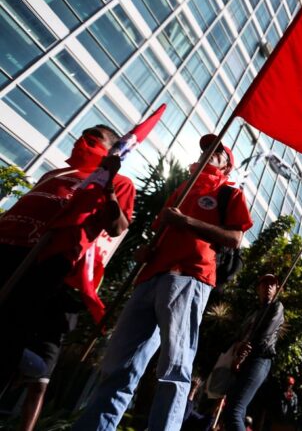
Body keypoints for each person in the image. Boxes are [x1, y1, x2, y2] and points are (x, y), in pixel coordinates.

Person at [74, 134, 252, 431]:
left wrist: (187, 223)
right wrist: (146, 251)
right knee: (120, 365)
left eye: (216, 151)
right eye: (206, 147)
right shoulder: (180, 191)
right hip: (150, 277)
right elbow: (160, 233)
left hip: (189, 277)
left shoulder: (228, 192)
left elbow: (235, 239)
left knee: (174, 368)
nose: (208, 152)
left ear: (227, 167)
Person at [0, 125, 134, 420]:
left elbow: (117, 227)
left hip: (46, 258)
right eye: (81, 137)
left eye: (92, 141)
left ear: (110, 151)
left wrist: (108, 184)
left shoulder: (120, 182)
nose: (82, 143)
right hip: (6, 245)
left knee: (8, 332)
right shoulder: (55, 174)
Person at [222, 273, 285, 431]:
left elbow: (264, 335)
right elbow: (239, 336)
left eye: (272, 284)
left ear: (278, 288)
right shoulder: (253, 312)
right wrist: (237, 355)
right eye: (265, 283)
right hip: (243, 361)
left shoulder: (277, 306)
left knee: (233, 411)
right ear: (258, 288)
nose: (268, 286)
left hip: (259, 359)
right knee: (234, 409)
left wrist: (244, 354)